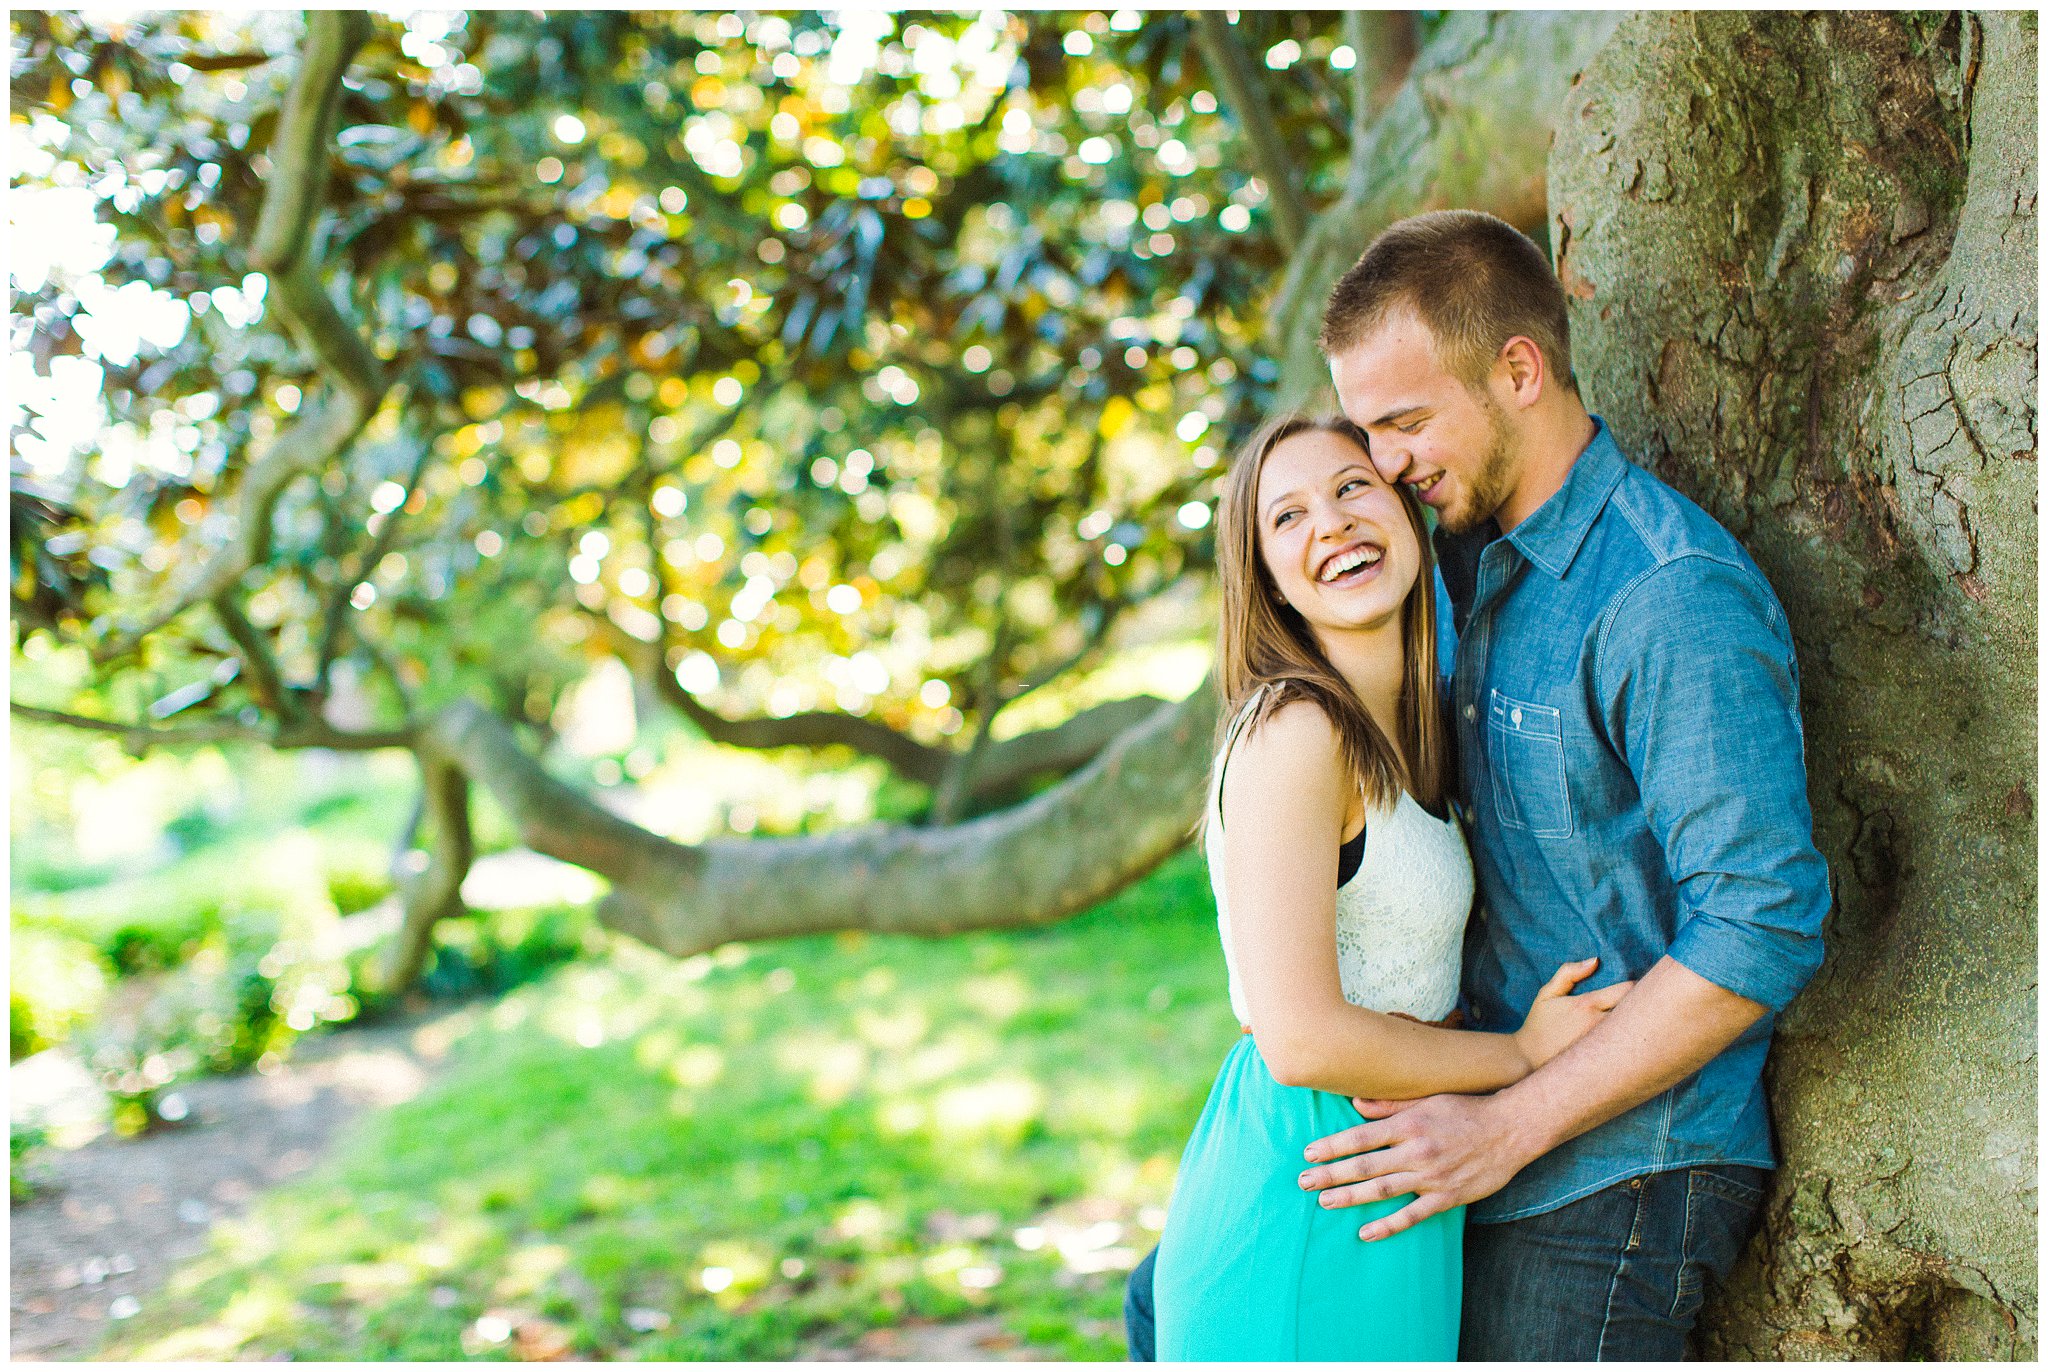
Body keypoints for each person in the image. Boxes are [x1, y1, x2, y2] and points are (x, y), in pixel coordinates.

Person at [1283, 209, 1834, 1359]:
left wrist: (1510, 1124)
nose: (1380, 466)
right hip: (1464, 1130)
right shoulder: (1442, 557)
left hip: (1620, 1169)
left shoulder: (1666, 593)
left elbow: (1763, 919)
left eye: (1403, 421)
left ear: (1518, 370)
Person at [1143, 413, 1633, 1360]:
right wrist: (1524, 1057)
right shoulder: (1295, 734)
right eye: (1287, 517)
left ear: (1408, 513)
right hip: (1309, 1185)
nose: (1330, 524)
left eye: (1352, 488)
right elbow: (1299, 1038)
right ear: (1270, 584)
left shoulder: (1416, 730)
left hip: (1400, 1185)